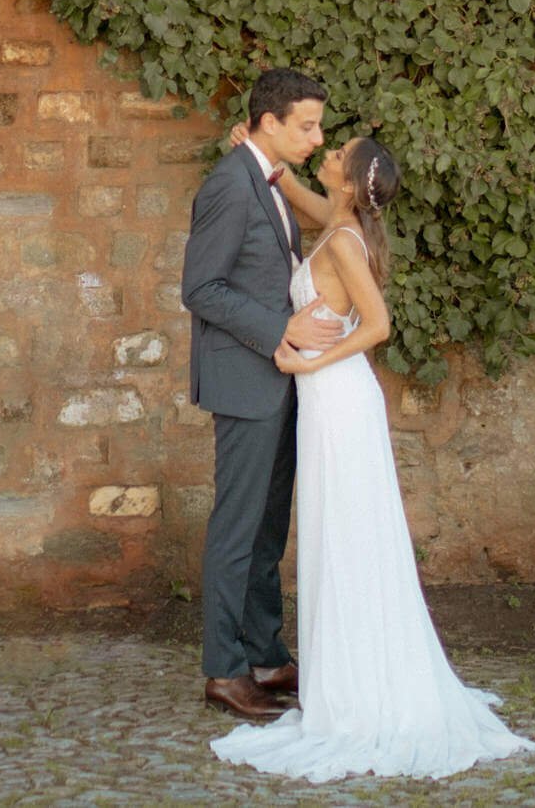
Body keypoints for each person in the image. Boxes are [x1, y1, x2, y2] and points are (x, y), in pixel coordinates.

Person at [208, 132, 535, 782]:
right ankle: (347, 670)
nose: (327, 152)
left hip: (338, 399)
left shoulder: (344, 241)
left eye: (339, 155)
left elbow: (377, 323)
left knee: (348, 536)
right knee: (339, 533)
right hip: (327, 402)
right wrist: (264, 160)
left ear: (354, 182)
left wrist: (304, 356)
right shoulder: (337, 219)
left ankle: (362, 687)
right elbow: (298, 195)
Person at [179, 67, 345, 720]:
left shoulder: (268, 179)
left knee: (269, 526)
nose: (318, 134)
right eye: (307, 124)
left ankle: (266, 654)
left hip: (279, 380)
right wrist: (281, 327)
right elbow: (202, 288)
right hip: (246, 377)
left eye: (319, 124)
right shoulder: (228, 184)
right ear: (268, 121)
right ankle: (224, 670)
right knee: (237, 526)